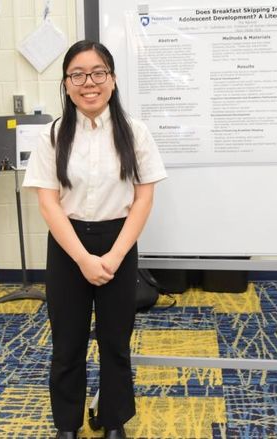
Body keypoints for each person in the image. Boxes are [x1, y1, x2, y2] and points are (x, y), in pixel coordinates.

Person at [23, 40, 167, 439]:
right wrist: (84, 259)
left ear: (113, 79)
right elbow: (49, 205)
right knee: (66, 343)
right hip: (68, 244)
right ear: (67, 83)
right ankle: (67, 424)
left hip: (117, 241)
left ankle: (113, 419)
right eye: (78, 75)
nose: (89, 82)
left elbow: (144, 198)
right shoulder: (52, 136)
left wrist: (115, 255)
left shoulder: (134, 133)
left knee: (115, 342)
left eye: (98, 73)